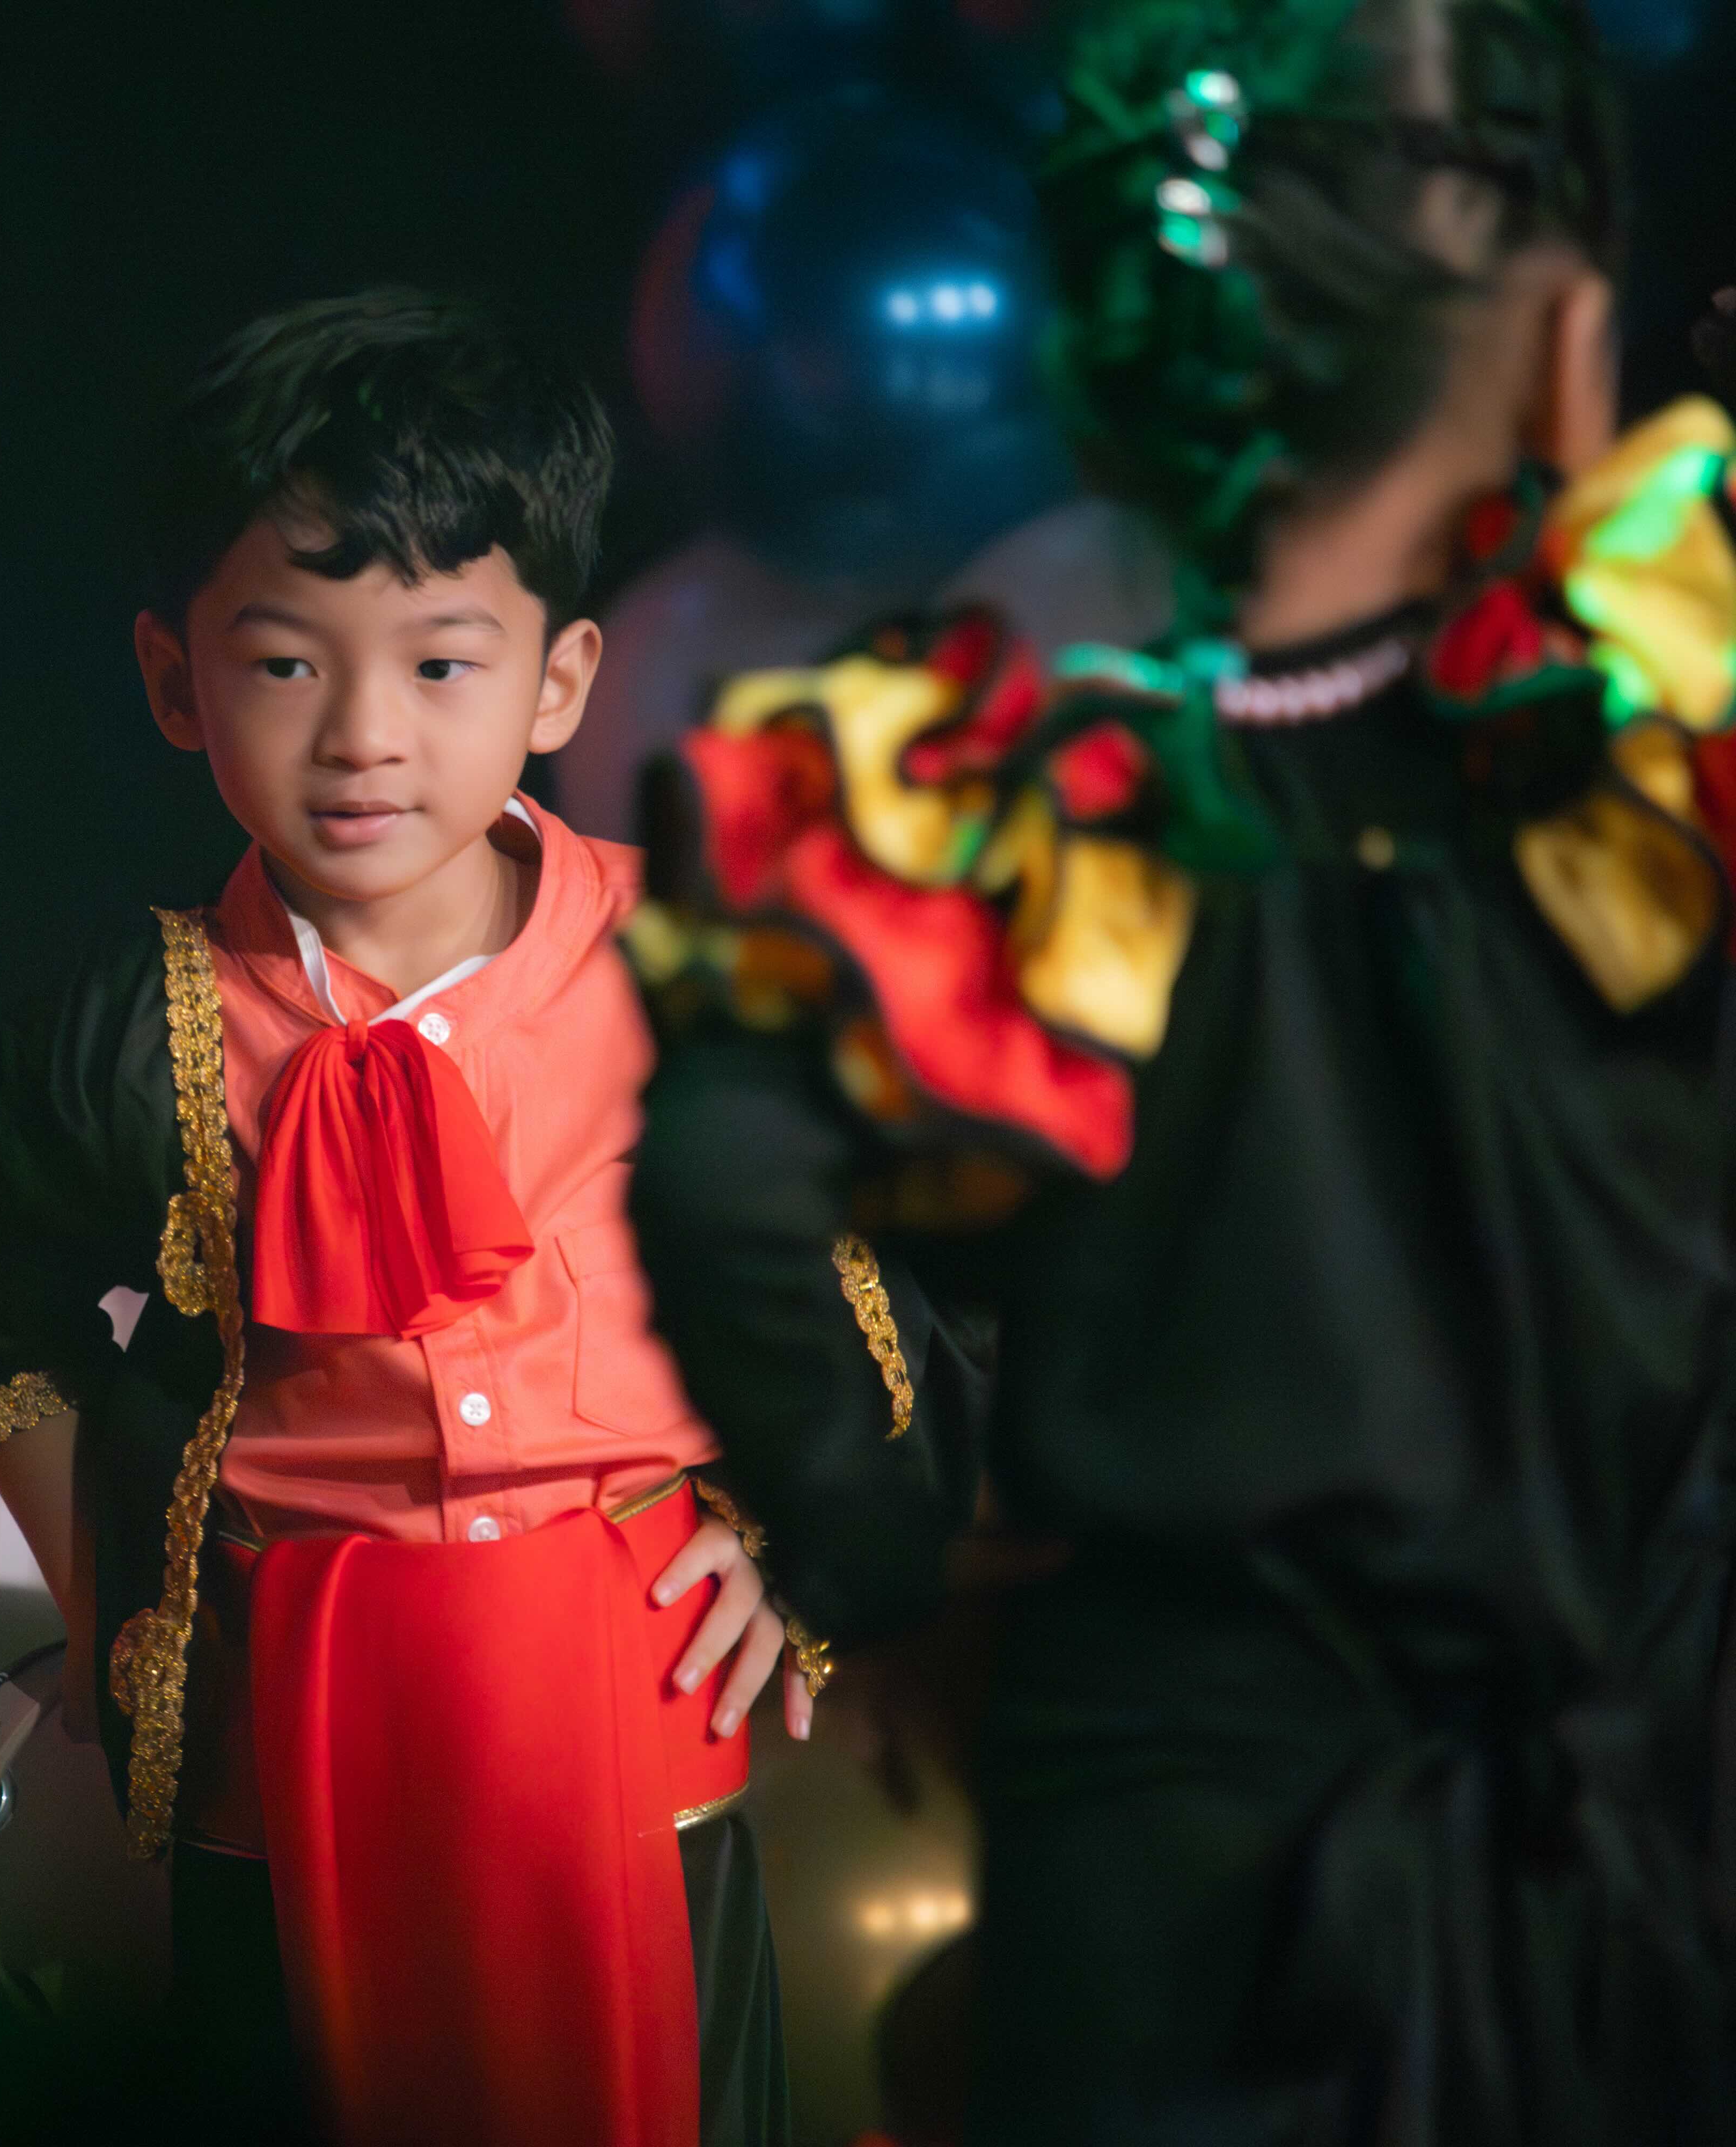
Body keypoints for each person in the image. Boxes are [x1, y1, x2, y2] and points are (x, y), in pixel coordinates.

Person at [626, 0, 1736, 2138]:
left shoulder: (1029, 819)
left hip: (1143, 1825)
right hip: (1601, 1854)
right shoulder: (1640, 802)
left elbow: (722, 1182)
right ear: (1564, 361)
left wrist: (885, 1569)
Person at [0, 291, 933, 2147]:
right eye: (286, 664)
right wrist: (130, 1608)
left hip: (623, 1711)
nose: (365, 737)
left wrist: (795, 1552)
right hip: (281, 1742)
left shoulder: (698, 971)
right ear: (171, 679)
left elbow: (874, 1281)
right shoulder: (132, 1029)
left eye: (444, 667)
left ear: (562, 679)